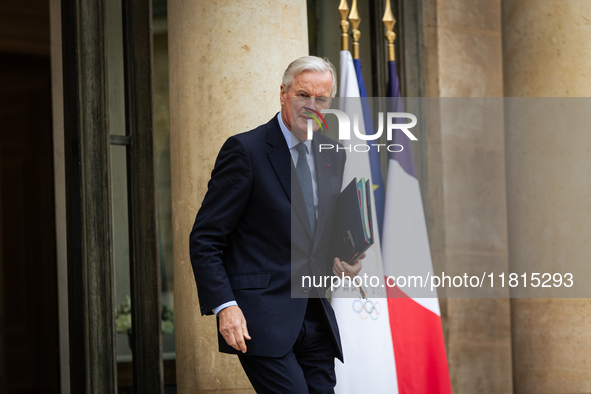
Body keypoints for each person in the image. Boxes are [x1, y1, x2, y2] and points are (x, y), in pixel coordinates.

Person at [189, 56, 364, 394]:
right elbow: (206, 239)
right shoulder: (245, 151)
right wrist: (226, 307)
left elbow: (316, 236)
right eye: (303, 95)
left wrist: (343, 260)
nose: (311, 106)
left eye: (321, 99)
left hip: (315, 316)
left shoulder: (333, 154)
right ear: (283, 94)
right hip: (262, 319)